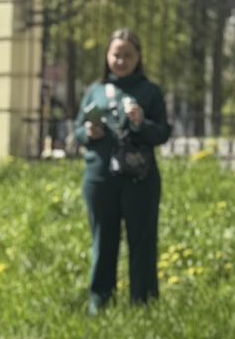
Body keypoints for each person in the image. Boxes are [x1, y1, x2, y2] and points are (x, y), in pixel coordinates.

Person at [73, 29, 171, 313]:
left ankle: (143, 305)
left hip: (140, 179)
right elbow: (77, 130)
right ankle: (99, 302)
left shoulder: (150, 92)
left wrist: (142, 123)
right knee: (103, 240)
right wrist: (88, 132)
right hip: (100, 177)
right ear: (107, 56)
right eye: (116, 54)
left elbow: (163, 133)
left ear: (138, 58)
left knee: (142, 242)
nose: (121, 60)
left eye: (128, 55)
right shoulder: (96, 91)